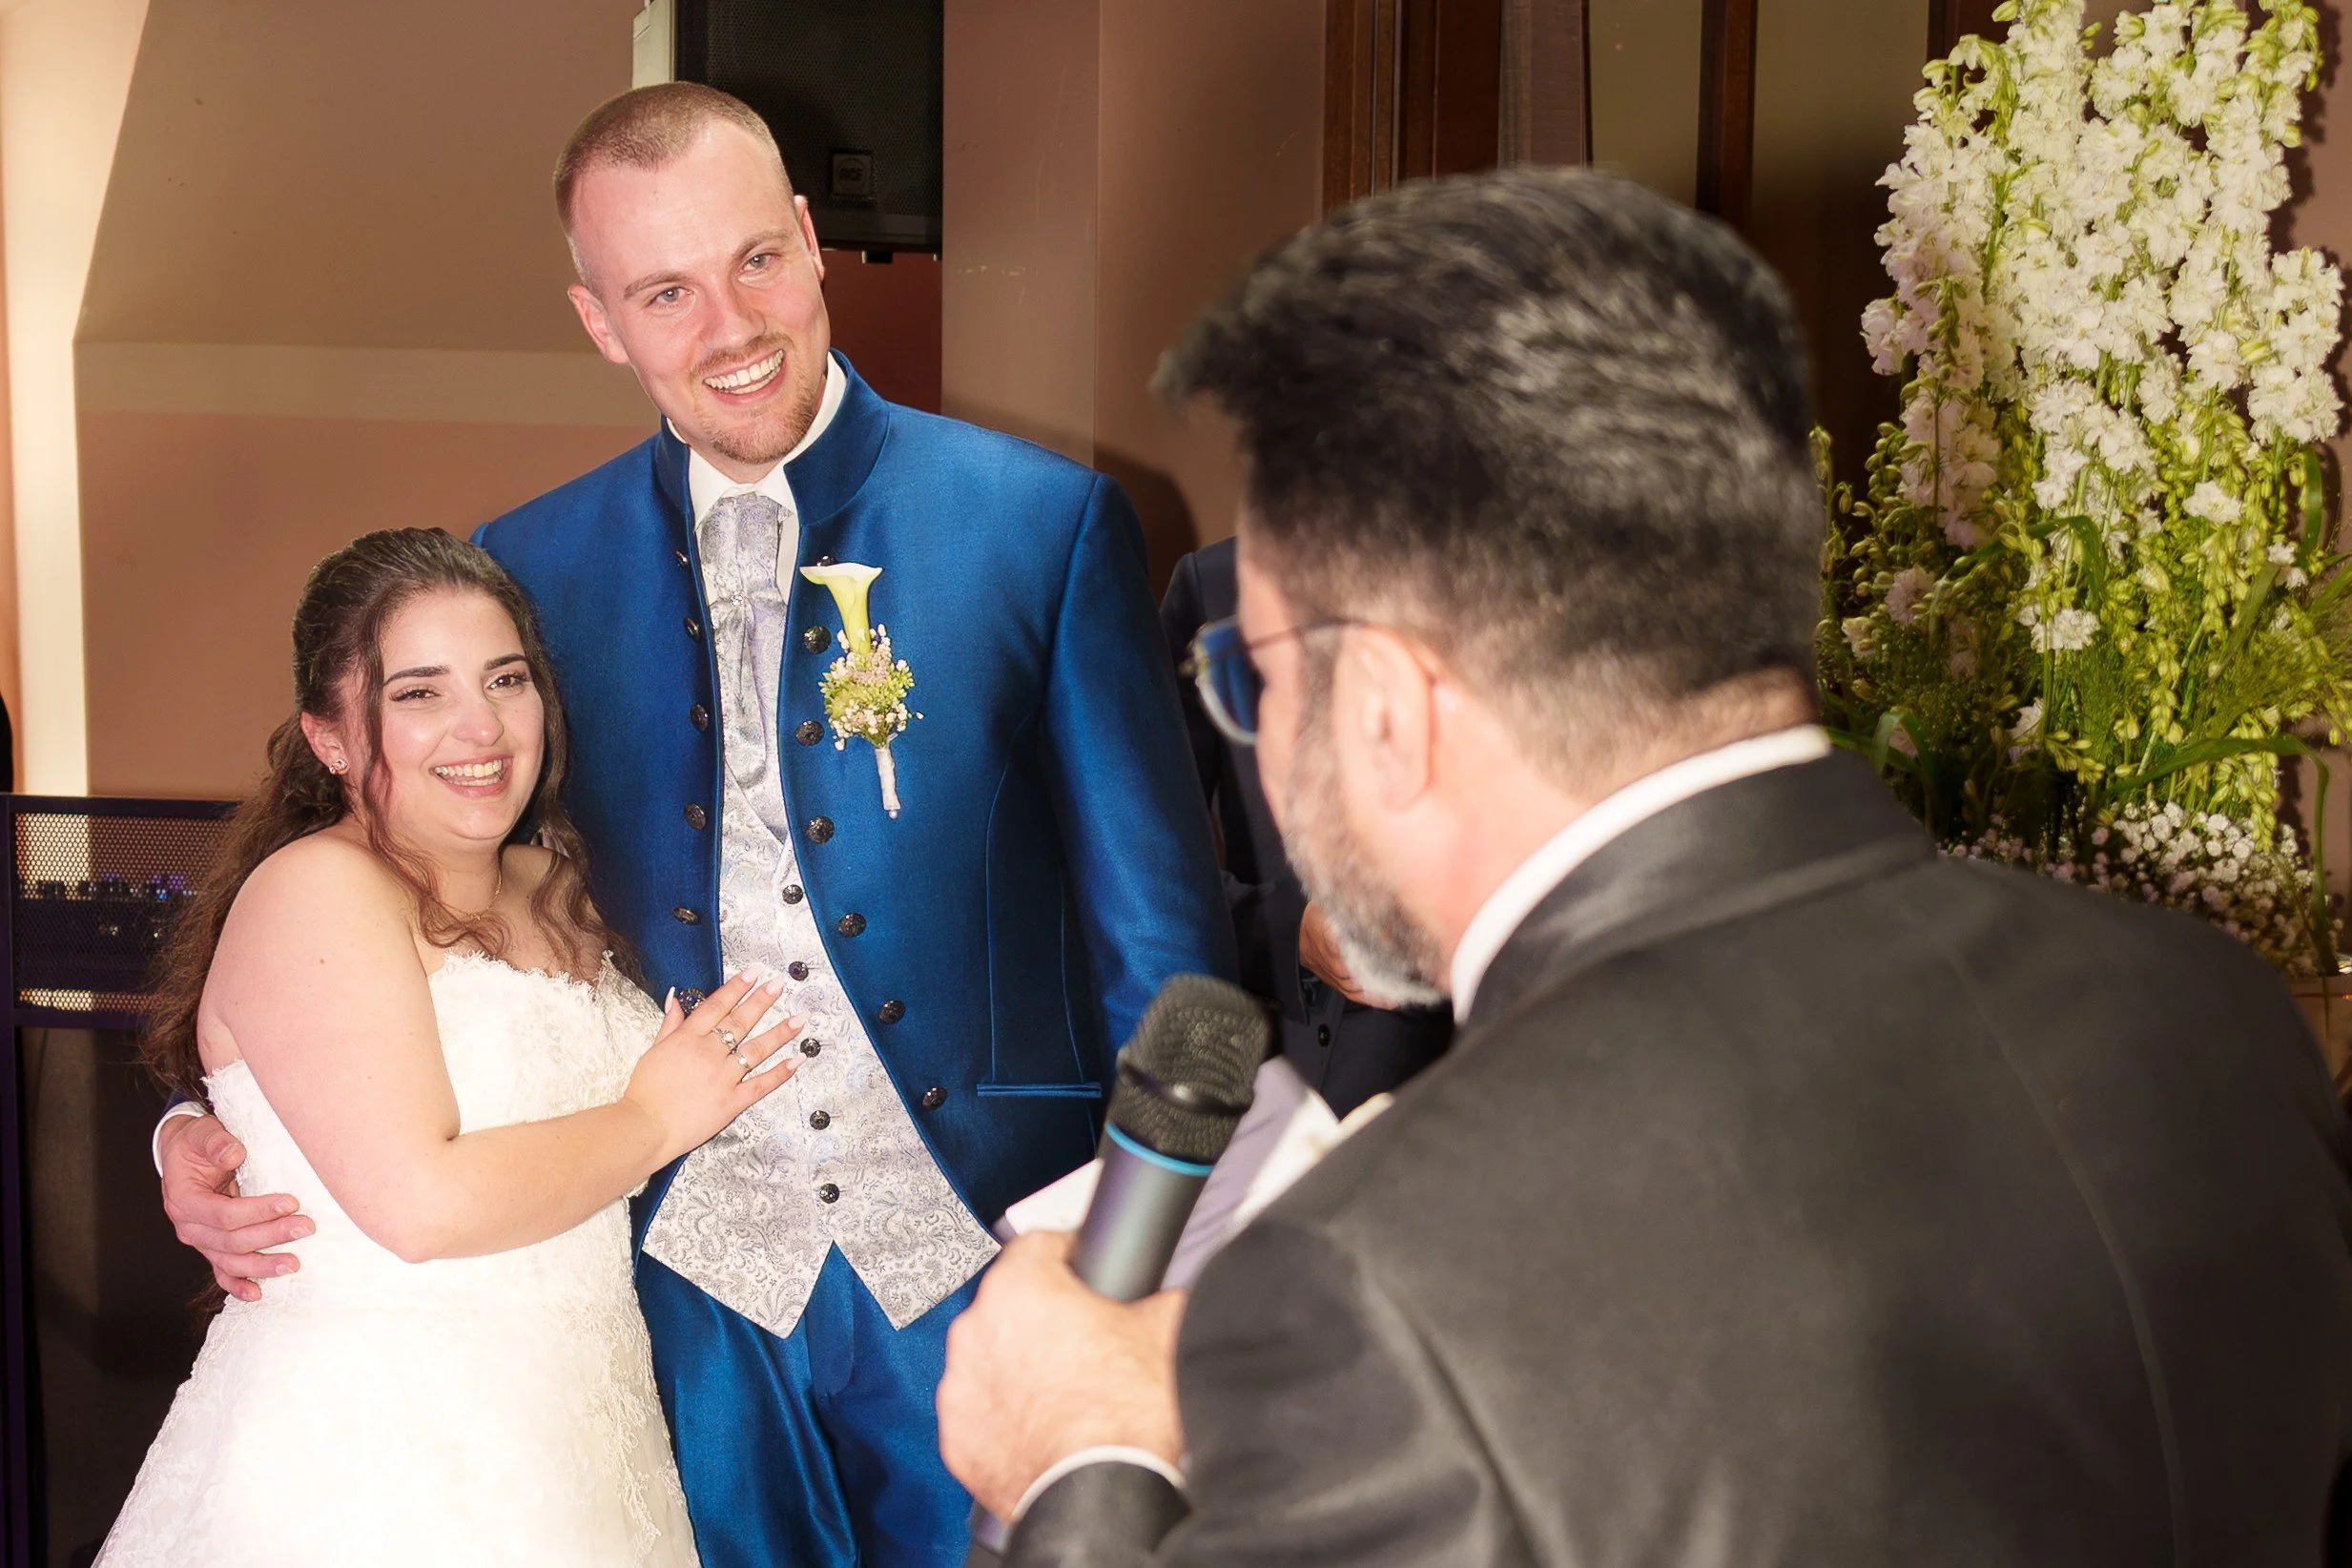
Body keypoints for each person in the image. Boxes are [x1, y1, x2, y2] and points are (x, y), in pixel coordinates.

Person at [935, 169, 2352, 1566]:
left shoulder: (1380, 1282)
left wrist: (1083, 1465)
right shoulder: (2204, 1005)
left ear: (1383, 705)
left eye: (1259, 672)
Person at [155, 84, 1234, 1568]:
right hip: (683, 1302)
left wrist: (1134, 1264)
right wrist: (201, 1131)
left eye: (755, 262)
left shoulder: (1038, 526)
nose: (729, 326)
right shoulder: (527, 573)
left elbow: (1169, 962)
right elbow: (407, 913)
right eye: (664, 291)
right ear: (601, 321)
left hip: (994, 1263)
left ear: (808, 240)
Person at [103, 529, 803, 1566]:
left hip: (587, 1436)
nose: (480, 725)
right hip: (379, 1456)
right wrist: (655, 1117)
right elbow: (419, 1206)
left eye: (505, 679)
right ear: (330, 738)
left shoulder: (559, 886)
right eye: (418, 692)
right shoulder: (319, 891)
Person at [1163, 536, 1450, 1116]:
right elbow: (1144, 860)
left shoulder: (1510, 561)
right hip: (1285, 1064)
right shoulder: (1216, 584)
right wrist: (1289, 932)